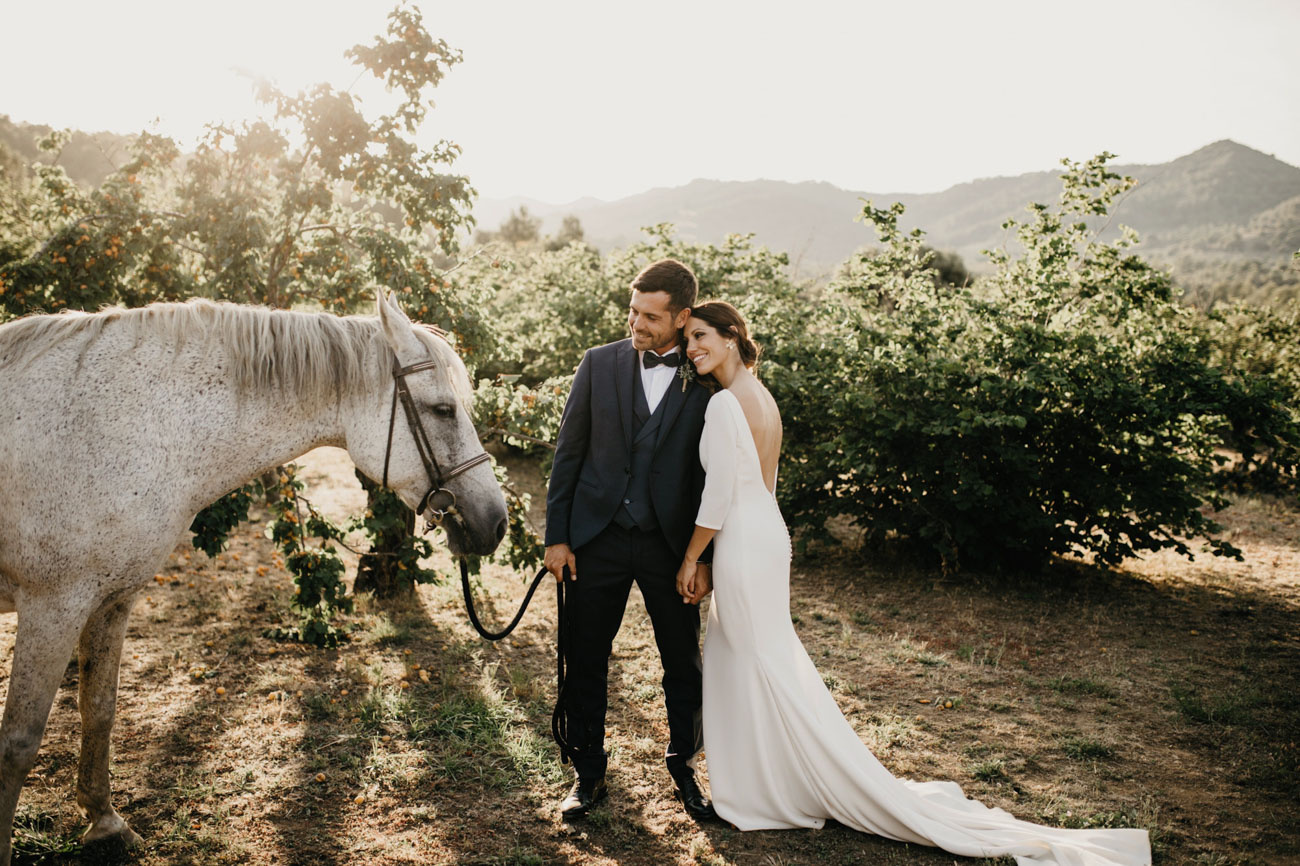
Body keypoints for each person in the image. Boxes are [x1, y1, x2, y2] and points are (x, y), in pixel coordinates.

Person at [674, 301, 1152, 866]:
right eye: (688, 340)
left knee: (752, 660)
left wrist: (692, 558)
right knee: (761, 658)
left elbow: (719, 495)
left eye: (701, 336)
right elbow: (763, 484)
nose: (692, 348)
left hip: (742, 538)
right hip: (766, 534)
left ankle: (775, 789)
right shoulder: (761, 394)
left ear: (731, 336)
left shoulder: (724, 403)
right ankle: (775, 780)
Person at [544, 259, 717, 821]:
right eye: (633, 311)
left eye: (651, 316)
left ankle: (684, 766)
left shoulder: (706, 376)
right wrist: (557, 537)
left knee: (683, 663)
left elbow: (712, 477)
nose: (637, 324)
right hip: (597, 539)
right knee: (585, 656)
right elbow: (568, 455)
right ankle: (587, 772)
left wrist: (704, 559)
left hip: (673, 547)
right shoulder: (598, 364)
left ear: (682, 317)